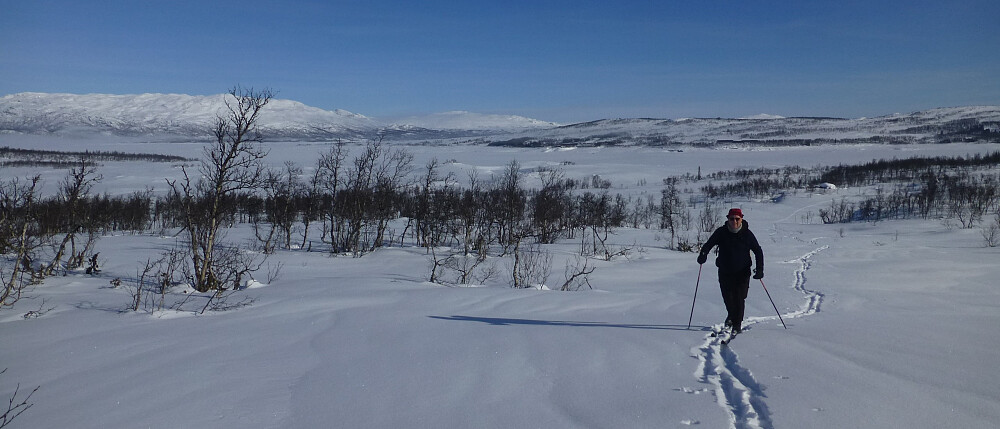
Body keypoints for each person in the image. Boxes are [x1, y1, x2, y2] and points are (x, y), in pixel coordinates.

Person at [696, 208, 763, 335]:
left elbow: (758, 251)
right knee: (728, 298)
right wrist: (703, 254)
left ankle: (737, 324)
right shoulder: (721, 232)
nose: (734, 221)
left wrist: (759, 269)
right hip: (725, 271)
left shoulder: (747, 234)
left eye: (737, 219)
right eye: (731, 219)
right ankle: (731, 316)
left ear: (741, 219)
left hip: (742, 272)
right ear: (728, 219)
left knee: (739, 297)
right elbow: (709, 244)